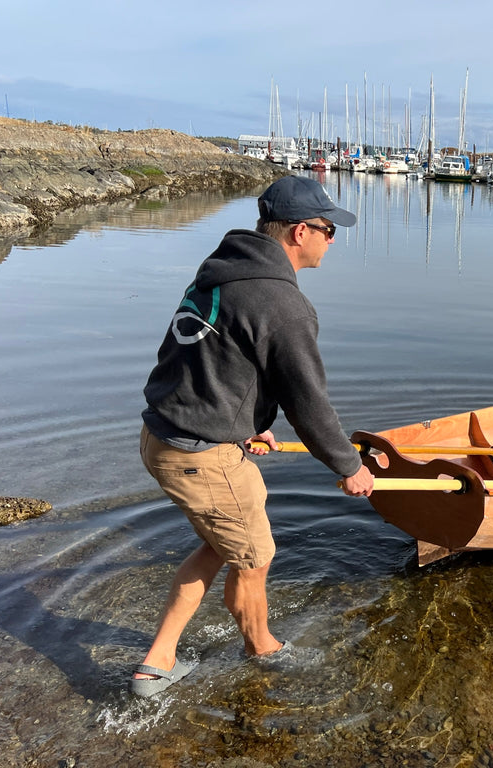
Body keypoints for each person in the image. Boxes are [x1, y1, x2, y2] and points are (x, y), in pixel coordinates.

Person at [131, 175, 375, 698]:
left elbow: (210, 360)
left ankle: (158, 661)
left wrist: (244, 425)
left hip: (164, 436)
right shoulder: (282, 305)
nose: (332, 240)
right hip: (201, 455)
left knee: (221, 544)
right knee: (255, 557)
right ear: (298, 232)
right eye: (328, 230)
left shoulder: (221, 273)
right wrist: (350, 468)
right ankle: (263, 649)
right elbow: (309, 404)